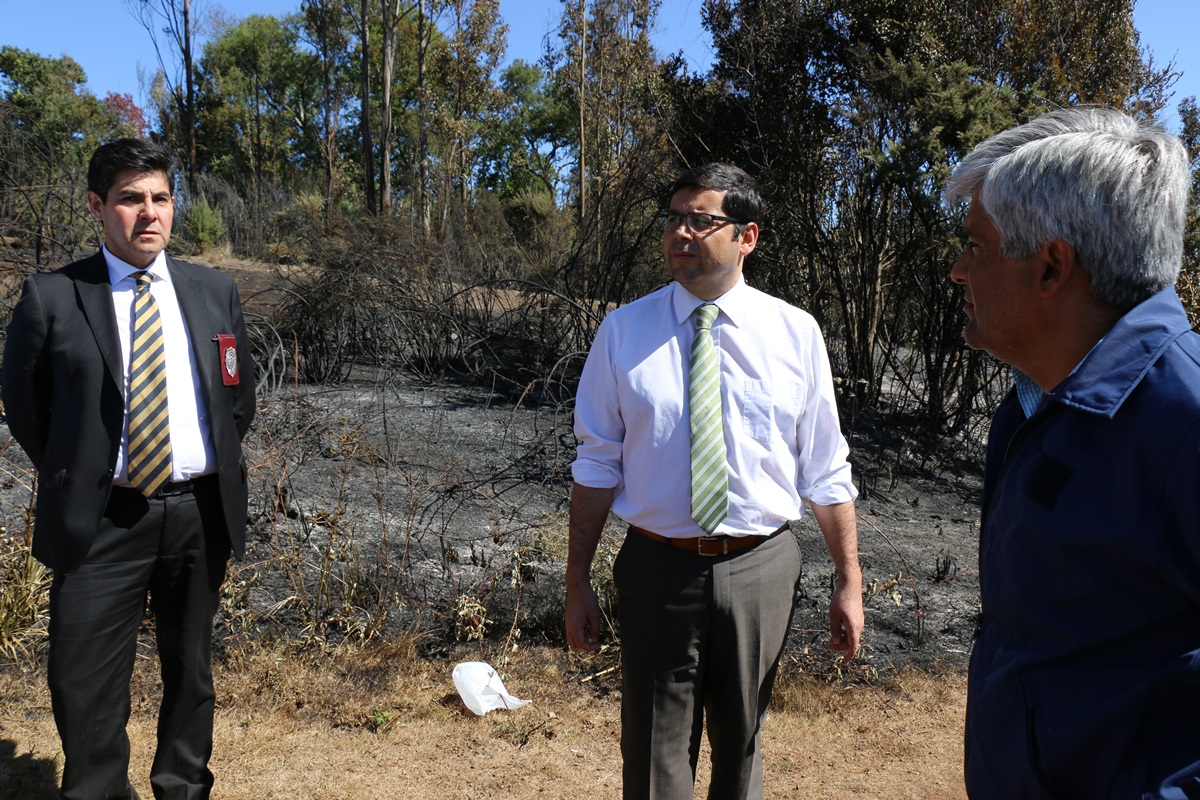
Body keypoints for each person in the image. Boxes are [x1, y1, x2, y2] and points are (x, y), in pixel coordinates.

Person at [566, 163, 863, 800]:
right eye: (674, 219)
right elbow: (596, 464)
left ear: (746, 237)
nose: (681, 233)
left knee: (743, 751)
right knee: (652, 760)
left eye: (701, 221)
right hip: (655, 568)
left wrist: (849, 580)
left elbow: (824, 467)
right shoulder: (623, 333)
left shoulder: (794, 333)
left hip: (761, 567)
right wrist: (577, 581)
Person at [946, 107, 1200, 799]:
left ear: (1053, 266)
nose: (958, 269)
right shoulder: (1035, 406)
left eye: (977, 244)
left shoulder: (1183, 419)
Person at [2, 138, 256, 800]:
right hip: (103, 522)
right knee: (82, 681)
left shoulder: (215, 291)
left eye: (161, 198)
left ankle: (182, 788)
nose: (150, 214)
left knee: (191, 673)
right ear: (97, 206)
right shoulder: (54, 297)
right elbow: (26, 408)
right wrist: (82, 470)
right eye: (131, 199)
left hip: (199, 516)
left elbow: (238, 400)